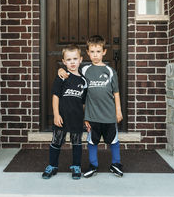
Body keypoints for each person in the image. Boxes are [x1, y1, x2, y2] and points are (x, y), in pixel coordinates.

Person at [58, 35, 124, 178]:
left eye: (98, 51)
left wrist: (118, 111)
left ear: (104, 52)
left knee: (113, 140)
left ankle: (116, 164)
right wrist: (61, 71)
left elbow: (116, 92)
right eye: (92, 52)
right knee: (92, 142)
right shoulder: (85, 70)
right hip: (92, 115)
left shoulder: (111, 71)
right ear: (87, 53)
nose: (95, 55)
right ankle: (93, 165)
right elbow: (71, 71)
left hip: (109, 114)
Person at [42, 44, 88, 180]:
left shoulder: (84, 80)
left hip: (77, 117)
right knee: (56, 141)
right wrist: (56, 114)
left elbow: (84, 102)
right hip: (62, 117)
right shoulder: (62, 76)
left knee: (77, 142)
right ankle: (52, 165)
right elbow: (55, 96)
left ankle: (76, 166)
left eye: (75, 59)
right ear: (63, 61)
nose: (72, 62)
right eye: (69, 59)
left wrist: (86, 118)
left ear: (80, 59)